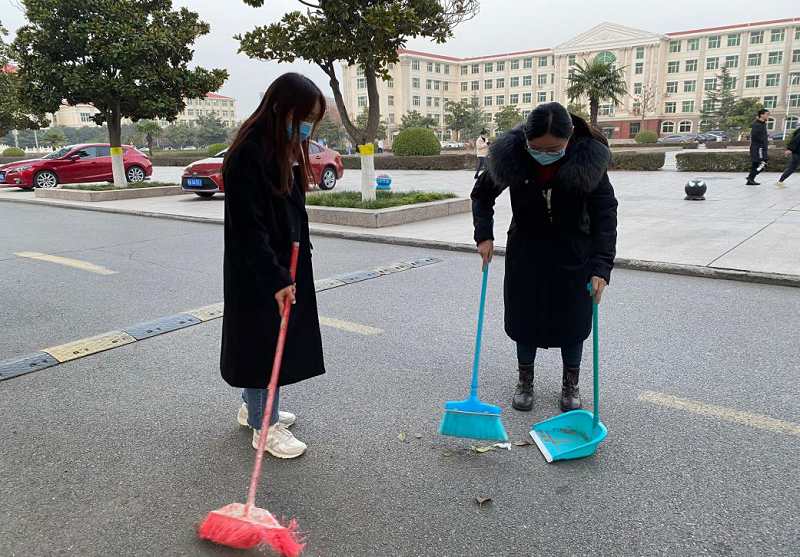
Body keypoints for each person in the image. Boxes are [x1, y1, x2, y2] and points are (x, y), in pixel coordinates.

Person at [471, 102, 618, 413]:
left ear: (570, 135)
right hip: (526, 252)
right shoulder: (512, 155)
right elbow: (482, 195)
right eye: (536, 147)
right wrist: (484, 235)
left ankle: (571, 383)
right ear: (526, 137)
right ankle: (525, 380)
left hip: (574, 253)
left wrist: (601, 267)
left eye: (553, 149)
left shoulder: (588, 160)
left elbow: (605, 214)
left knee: (573, 321)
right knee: (525, 318)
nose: (544, 154)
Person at [220, 72, 327, 458]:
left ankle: (254, 408)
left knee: (271, 342)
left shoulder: (281, 147)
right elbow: (248, 228)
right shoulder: (249, 153)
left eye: (313, 119)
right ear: (282, 108)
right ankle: (263, 427)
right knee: (263, 348)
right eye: (305, 117)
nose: (307, 126)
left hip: (285, 263)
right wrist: (276, 278)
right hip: (260, 271)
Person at [746, 109, 770, 185]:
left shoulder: (763, 124)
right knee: (762, 163)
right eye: (767, 114)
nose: (768, 116)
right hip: (758, 147)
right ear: (761, 115)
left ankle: (750, 179)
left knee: (757, 163)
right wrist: (762, 141)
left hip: (762, 146)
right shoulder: (757, 124)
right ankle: (750, 177)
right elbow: (754, 135)